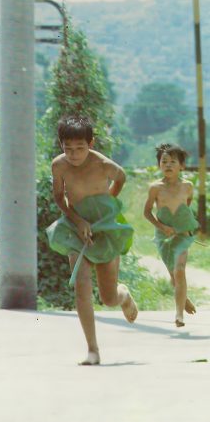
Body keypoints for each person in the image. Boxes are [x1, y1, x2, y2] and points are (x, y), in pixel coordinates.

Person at [46, 115, 137, 365]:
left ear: (91, 143)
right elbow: (59, 197)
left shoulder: (104, 164)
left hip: (105, 227)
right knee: (81, 285)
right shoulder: (59, 165)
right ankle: (92, 349)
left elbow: (121, 177)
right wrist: (78, 221)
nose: (74, 154)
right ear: (61, 145)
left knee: (109, 298)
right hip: (76, 226)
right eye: (68, 148)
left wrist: (108, 204)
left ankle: (123, 296)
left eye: (80, 148)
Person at [143, 143, 198, 327]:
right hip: (164, 238)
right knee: (174, 275)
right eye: (164, 161)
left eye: (172, 162)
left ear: (182, 166)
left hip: (182, 235)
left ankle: (179, 315)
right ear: (159, 164)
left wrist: (184, 227)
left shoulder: (188, 186)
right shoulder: (155, 188)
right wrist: (162, 227)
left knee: (179, 270)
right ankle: (184, 298)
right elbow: (147, 212)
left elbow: (186, 207)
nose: (168, 165)